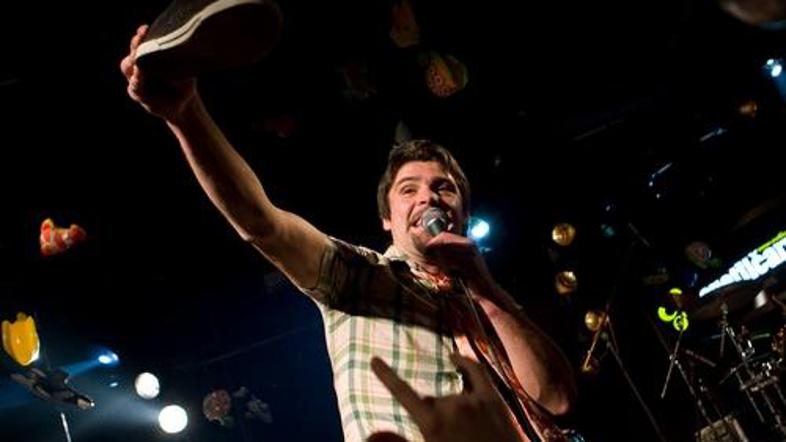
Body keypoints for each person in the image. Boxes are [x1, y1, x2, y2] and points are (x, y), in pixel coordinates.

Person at [120, 17, 576, 442]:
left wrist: (487, 294)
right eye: (409, 189)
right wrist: (186, 116)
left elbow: (557, 399)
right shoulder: (358, 277)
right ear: (387, 219)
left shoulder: (490, 300)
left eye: (444, 188)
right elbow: (262, 222)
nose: (429, 198)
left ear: (463, 212)